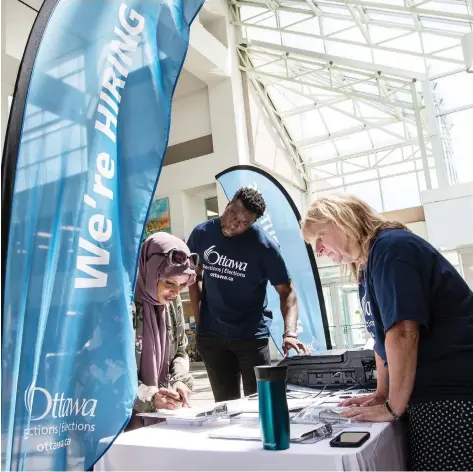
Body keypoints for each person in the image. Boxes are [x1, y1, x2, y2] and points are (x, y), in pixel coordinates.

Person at [301, 194, 473, 471]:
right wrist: (382, 395)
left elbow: (404, 332)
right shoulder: (366, 267)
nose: (318, 250)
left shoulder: (392, 248)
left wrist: (393, 406)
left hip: (453, 397)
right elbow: (381, 342)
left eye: (320, 236)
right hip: (428, 396)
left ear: (343, 221)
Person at [187, 187, 308, 402]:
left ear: (253, 223)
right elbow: (192, 275)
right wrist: (199, 320)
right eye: (233, 214)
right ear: (227, 205)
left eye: (244, 223)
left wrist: (290, 333)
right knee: (225, 407)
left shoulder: (265, 247)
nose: (235, 223)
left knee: (260, 404)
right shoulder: (202, 233)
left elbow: (287, 290)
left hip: (251, 337)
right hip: (213, 337)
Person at [127, 232, 197, 431]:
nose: (176, 292)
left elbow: (180, 352)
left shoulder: (170, 304)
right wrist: (149, 397)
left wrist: (180, 382)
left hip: (159, 418)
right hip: (119, 427)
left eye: (182, 285)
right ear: (149, 271)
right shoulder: (121, 304)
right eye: (169, 282)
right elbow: (110, 370)